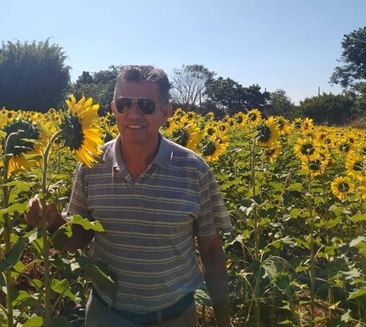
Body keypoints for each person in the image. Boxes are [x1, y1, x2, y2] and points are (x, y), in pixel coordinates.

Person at [26, 65, 233, 327]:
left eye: (146, 105)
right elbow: (80, 237)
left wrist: (224, 321)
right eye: (124, 104)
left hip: (173, 316)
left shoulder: (194, 169)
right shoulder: (91, 164)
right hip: (107, 315)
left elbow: (212, 250)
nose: (133, 113)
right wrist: (53, 223)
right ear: (114, 109)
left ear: (165, 112)